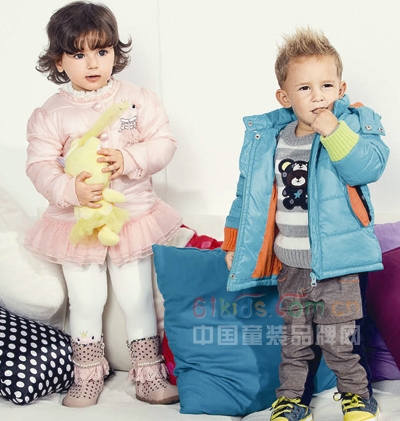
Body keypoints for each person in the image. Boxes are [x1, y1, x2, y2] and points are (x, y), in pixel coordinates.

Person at [222, 27, 389, 421]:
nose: (318, 96)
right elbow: (248, 196)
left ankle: (356, 397)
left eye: (326, 86)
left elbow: (368, 167)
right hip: (292, 266)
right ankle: (291, 400)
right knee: (295, 341)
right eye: (305, 88)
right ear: (285, 97)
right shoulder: (272, 139)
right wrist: (233, 242)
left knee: (340, 339)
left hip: (339, 265)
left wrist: (334, 131)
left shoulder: (351, 127)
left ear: (341, 89)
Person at [25, 1, 181, 408]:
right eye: (78, 55)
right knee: (86, 300)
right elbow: (39, 165)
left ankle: (148, 374)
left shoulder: (137, 100)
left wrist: (129, 159)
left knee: (137, 297)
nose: (93, 63)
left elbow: (164, 143)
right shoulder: (51, 113)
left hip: (131, 218)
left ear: (115, 52)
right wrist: (69, 189)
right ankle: (87, 375)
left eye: (101, 51)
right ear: (59, 61)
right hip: (77, 224)